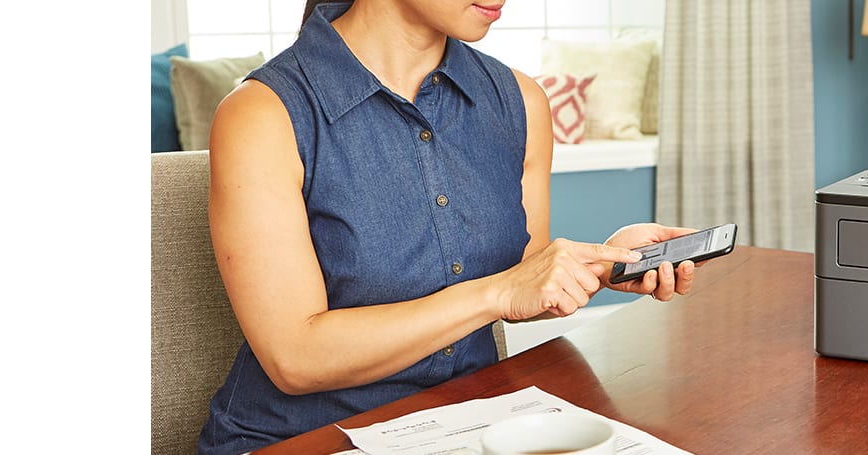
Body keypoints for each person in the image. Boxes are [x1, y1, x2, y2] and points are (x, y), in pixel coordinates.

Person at [196, 1, 705, 453]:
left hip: (469, 422)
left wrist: (602, 264)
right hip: (308, 438)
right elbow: (296, 359)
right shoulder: (263, 114)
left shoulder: (520, 101)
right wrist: (497, 293)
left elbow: (524, 282)